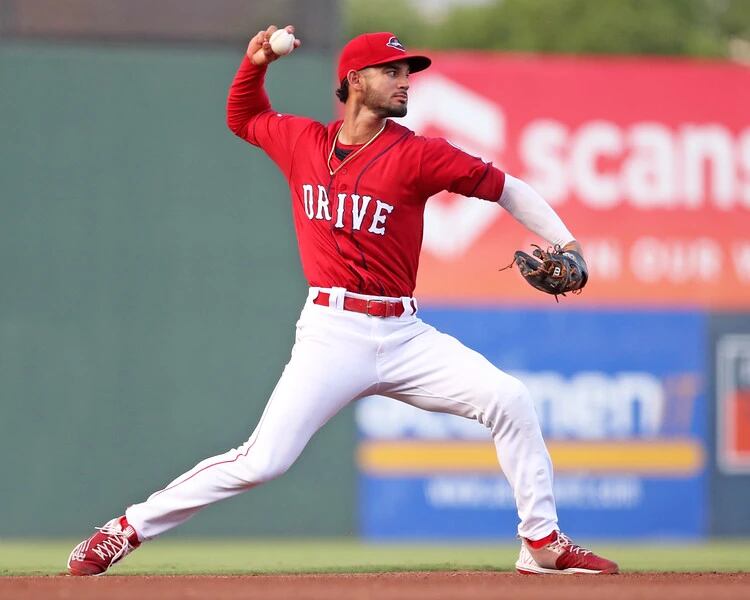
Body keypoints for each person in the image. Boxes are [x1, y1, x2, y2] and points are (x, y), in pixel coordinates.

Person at [67, 26, 618, 576]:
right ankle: (124, 530)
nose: (404, 82)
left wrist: (568, 244)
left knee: (510, 400)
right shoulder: (302, 141)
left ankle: (540, 542)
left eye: (406, 72)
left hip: (404, 335)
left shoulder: (420, 155)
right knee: (262, 461)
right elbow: (243, 116)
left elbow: (507, 188)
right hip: (332, 334)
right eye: (391, 71)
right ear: (355, 80)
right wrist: (255, 62)